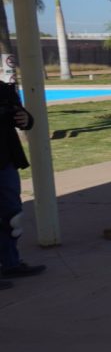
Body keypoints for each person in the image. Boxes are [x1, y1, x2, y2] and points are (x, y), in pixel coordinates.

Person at [0, 74, 43, 284]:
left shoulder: (4, 90)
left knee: (12, 217)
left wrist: (26, 119)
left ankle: (10, 264)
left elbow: (25, 119)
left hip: (5, 162)